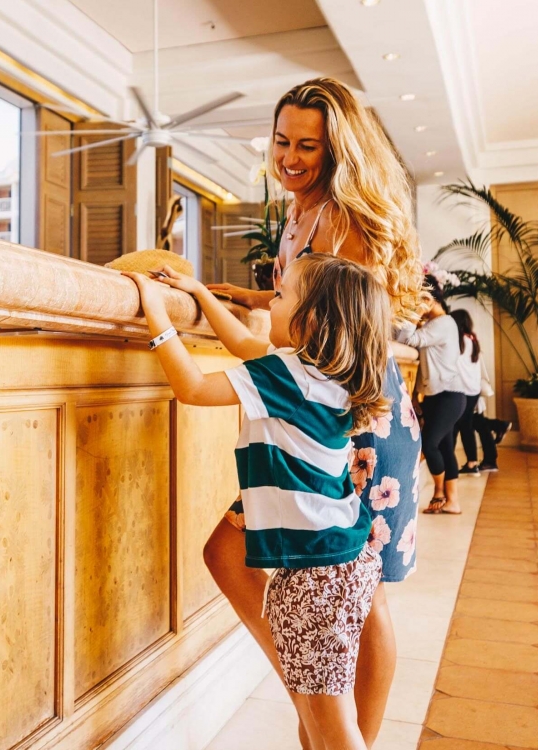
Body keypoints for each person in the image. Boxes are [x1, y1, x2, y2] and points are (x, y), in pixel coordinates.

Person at [205, 77, 424, 748]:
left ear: (338, 149)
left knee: (368, 594)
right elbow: (306, 307)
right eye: (282, 141)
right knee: (231, 553)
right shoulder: (302, 211)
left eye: (309, 145)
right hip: (322, 420)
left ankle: (343, 732)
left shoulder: (344, 216)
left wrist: (222, 312)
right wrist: (240, 292)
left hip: (356, 420)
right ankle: (322, 708)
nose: (292, 157)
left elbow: (333, 333)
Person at [125, 254, 392, 750]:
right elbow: (248, 345)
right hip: (347, 561)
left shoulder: (285, 373)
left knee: (331, 727)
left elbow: (194, 388)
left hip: (313, 576)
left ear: (311, 320)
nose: (270, 303)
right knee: (320, 717)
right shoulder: (329, 372)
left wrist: (158, 316)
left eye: (281, 296)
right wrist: (201, 294)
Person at [396, 278, 466, 514]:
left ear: (428, 298)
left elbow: (407, 340)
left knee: (428, 443)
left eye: (418, 298)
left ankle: (438, 492)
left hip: (449, 396)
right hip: (440, 396)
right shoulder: (439, 323)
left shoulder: (443, 323)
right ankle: (452, 501)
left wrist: (415, 313)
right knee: (445, 447)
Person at [450, 309, 510, 474]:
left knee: (460, 427)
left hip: (461, 390)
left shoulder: (458, 341)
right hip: (473, 391)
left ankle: (467, 464)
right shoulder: (472, 340)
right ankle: (472, 462)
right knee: (467, 426)